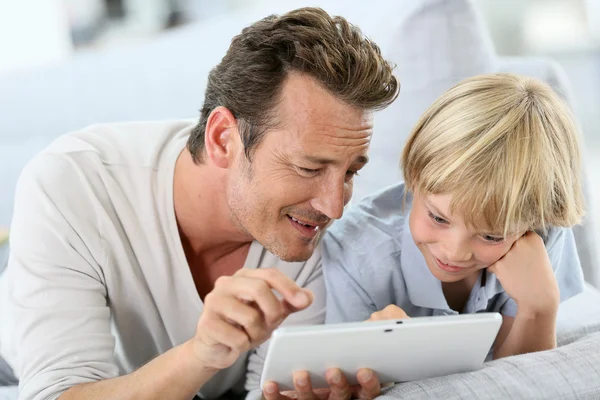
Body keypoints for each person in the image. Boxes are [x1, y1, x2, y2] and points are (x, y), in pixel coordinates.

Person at [0, 7, 398, 400]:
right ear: (223, 138)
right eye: (309, 168)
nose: (334, 207)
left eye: (350, 173)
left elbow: (270, 390)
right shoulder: (75, 184)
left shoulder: (308, 231)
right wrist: (200, 354)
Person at [323, 73, 585, 360]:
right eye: (438, 218)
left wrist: (539, 308)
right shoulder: (355, 253)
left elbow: (518, 378)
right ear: (413, 178)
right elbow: (344, 373)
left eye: (490, 236)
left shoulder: (540, 231)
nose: (455, 252)